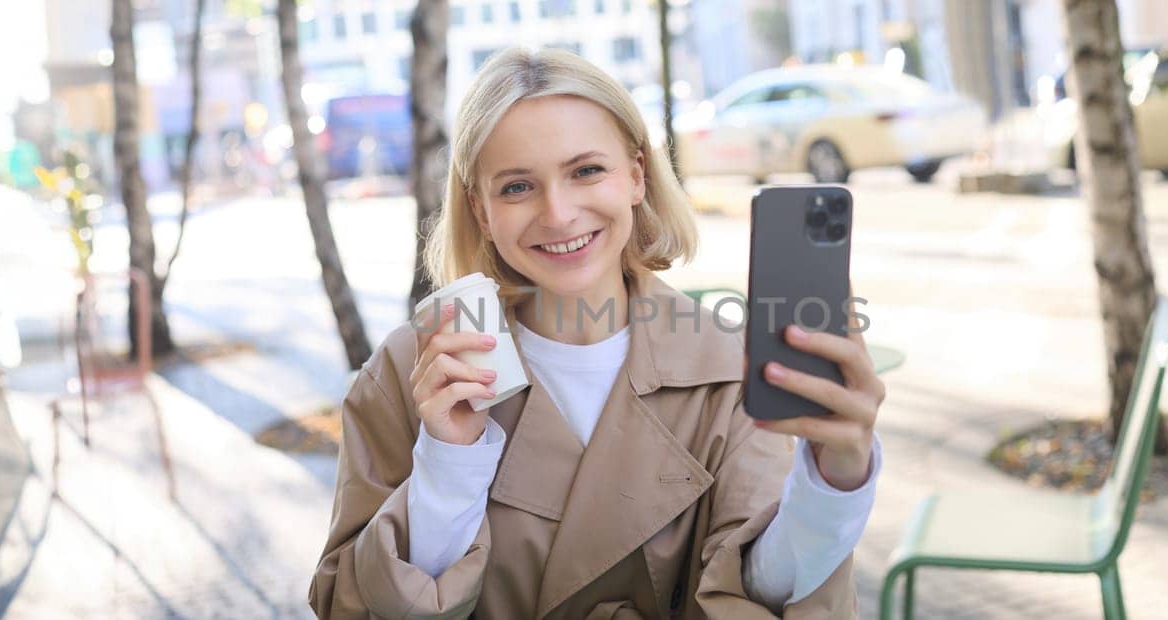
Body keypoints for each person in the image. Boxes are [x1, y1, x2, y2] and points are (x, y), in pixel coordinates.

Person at [309, 48, 886, 619]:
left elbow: (760, 592)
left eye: (586, 171)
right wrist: (446, 464)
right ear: (481, 212)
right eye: (516, 187)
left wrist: (834, 484)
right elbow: (353, 606)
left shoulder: (728, 370)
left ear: (636, 175)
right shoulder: (412, 372)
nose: (558, 213)